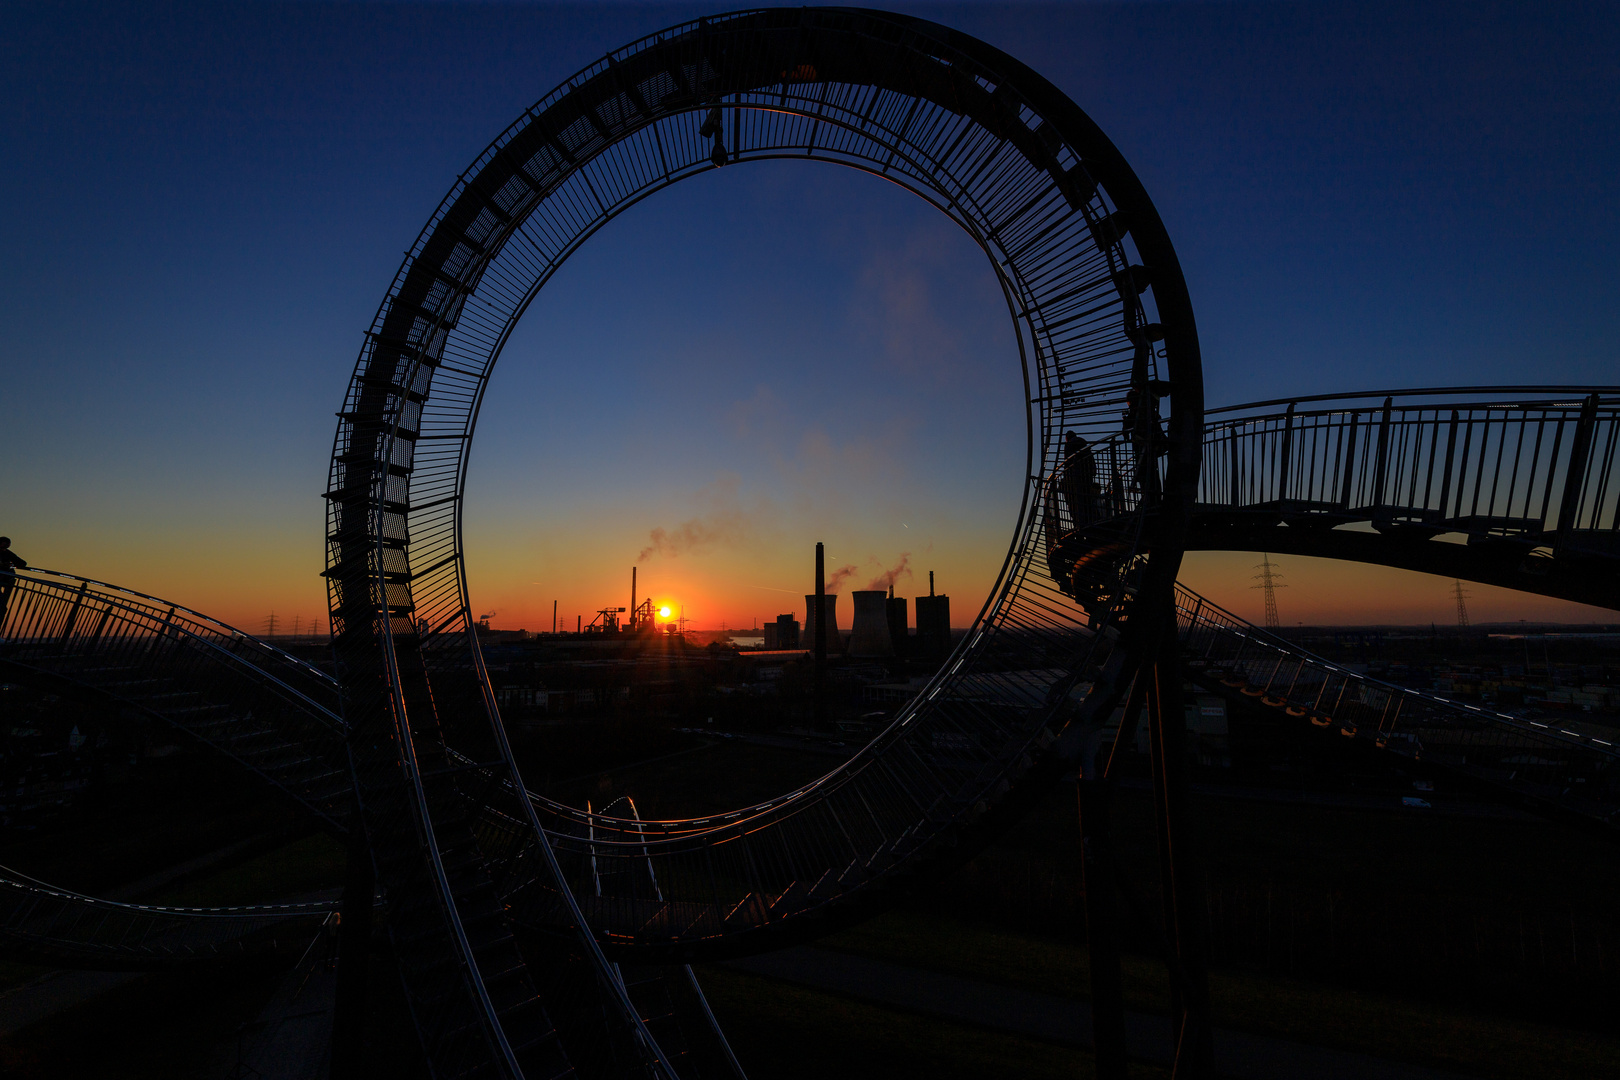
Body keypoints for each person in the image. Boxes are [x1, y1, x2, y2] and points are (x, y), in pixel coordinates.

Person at [0, 537, 26, 636]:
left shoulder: (7, 553)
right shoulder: (6, 553)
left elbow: (22, 563)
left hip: (6, 581)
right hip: (6, 581)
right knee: (2, 608)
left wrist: (9, 565)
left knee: (2, 608)